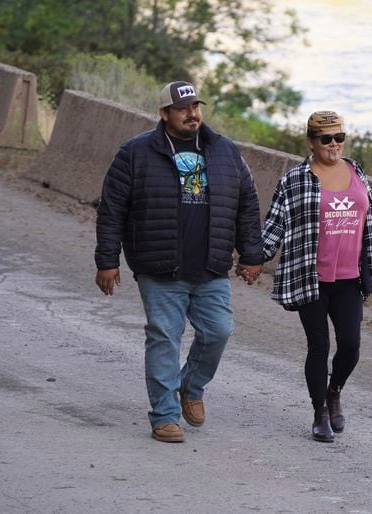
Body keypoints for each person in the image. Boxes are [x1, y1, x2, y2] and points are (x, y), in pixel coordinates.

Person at [94, 81, 263, 443]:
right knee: (164, 338)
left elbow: (247, 205)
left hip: (211, 265)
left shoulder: (225, 151)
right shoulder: (136, 153)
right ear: (165, 114)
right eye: (183, 108)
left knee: (219, 331)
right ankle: (165, 416)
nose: (192, 114)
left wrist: (251, 254)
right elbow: (112, 209)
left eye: (196, 107)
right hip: (159, 266)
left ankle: (191, 387)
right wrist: (107, 260)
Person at [260, 110, 372, 442]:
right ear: (311, 142)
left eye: (339, 138)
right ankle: (319, 413)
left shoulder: (357, 173)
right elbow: (275, 225)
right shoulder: (295, 179)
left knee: (350, 345)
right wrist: (253, 259)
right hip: (310, 277)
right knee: (319, 345)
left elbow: (371, 223)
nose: (334, 145)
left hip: (349, 278)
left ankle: (334, 391)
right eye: (325, 139)